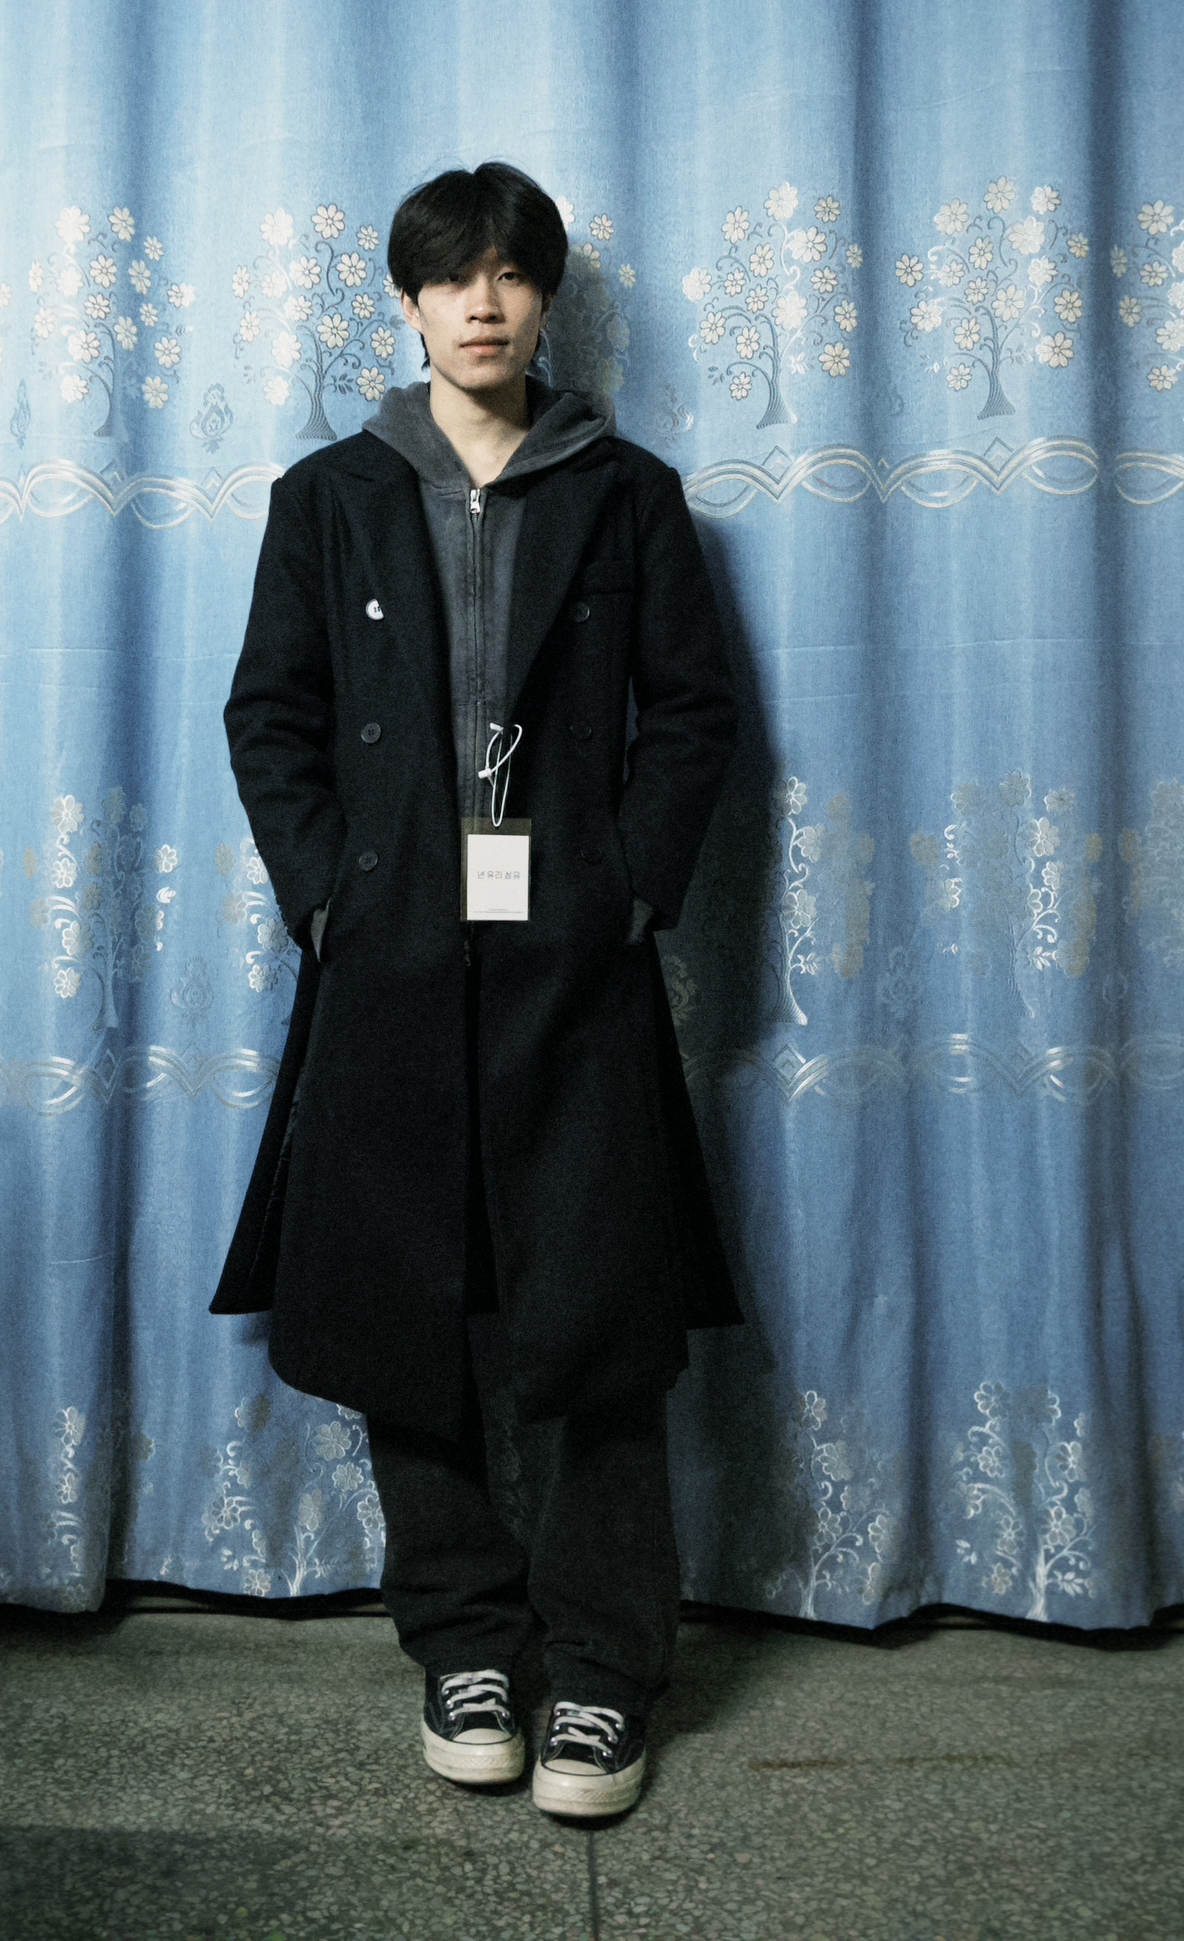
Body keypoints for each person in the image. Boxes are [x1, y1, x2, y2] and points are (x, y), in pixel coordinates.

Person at [212, 162, 740, 1820]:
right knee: (405, 1310)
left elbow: (696, 715)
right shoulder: (329, 496)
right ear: (411, 301)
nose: (485, 302)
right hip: (387, 960)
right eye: (454, 277)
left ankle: (604, 1674)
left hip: (573, 954)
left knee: (599, 1314)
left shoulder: (628, 493)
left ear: (547, 298)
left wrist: (626, 886)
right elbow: (269, 716)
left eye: (513, 274)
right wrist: (330, 899)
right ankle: (465, 1647)